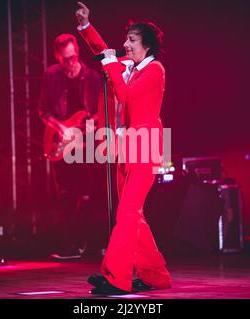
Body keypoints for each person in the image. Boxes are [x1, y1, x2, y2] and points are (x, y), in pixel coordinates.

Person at [75, 2, 172, 294]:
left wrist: (111, 65)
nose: (125, 45)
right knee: (134, 214)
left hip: (145, 148)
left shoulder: (154, 70)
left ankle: (116, 277)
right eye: (126, 39)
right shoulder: (129, 66)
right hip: (124, 148)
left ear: (147, 45)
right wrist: (85, 26)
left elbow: (125, 95)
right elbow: (104, 53)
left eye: (131, 40)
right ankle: (155, 275)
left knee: (127, 214)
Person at [39, 33, 101, 260]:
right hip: (61, 143)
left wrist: (94, 122)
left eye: (73, 57)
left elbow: (97, 112)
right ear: (57, 56)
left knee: (88, 195)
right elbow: (42, 112)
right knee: (65, 195)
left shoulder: (91, 77)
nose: (70, 62)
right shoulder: (51, 76)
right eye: (65, 59)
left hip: (86, 143)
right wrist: (60, 128)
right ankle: (71, 244)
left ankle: (91, 243)